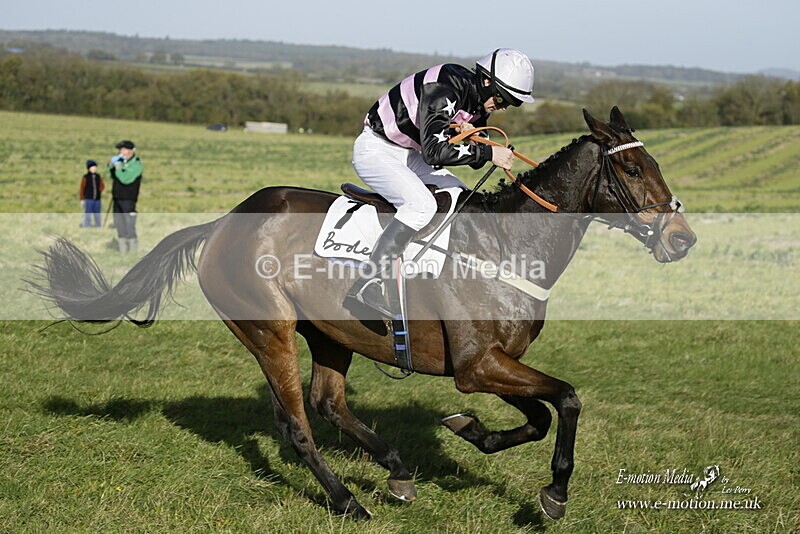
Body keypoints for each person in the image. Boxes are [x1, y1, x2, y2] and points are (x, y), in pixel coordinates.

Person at [345, 48, 536, 318]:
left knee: (458, 194)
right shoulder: (445, 84)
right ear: (486, 81)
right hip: (377, 149)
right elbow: (435, 152)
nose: (503, 107)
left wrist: (476, 141)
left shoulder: (478, 103)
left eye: (510, 104)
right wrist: (488, 152)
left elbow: (472, 160)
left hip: (410, 155)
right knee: (421, 205)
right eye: (503, 99)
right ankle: (368, 282)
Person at [108, 140, 143, 254]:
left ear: (131, 151)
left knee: (129, 225)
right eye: (120, 150)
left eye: (123, 149)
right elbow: (111, 175)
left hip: (128, 199)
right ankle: (123, 252)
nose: (121, 152)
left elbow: (126, 179)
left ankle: (133, 252)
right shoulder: (121, 162)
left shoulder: (137, 165)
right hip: (117, 198)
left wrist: (118, 168)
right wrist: (111, 166)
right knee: (119, 225)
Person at [79, 159, 104, 228]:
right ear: (89, 168)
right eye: (92, 167)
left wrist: (100, 190)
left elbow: (102, 185)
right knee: (88, 214)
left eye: (95, 167)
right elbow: (82, 188)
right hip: (89, 198)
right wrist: (82, 199)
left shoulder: (98, 176)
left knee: (97, 214)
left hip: (97, 199)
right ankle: (86, 226)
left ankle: (98, 226)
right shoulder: (86, 177)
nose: (94, 169)